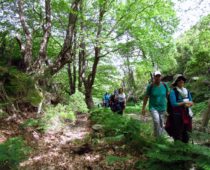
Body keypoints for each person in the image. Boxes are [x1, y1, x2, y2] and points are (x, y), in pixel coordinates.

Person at [141, 71, 169, 138]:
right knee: (157, 122)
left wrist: (169, 107)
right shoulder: (150, 86)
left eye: (159, 76)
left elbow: (168, 95)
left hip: (163, 108)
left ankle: (159, 138)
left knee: (162, 124)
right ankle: (157, 139)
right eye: (156, 76)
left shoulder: (165, 86)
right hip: (153, 108)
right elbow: (146, 97)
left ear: (161, 77)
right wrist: (143, 108)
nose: (158, 77)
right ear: (154, 77)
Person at [168, 74, 193, 143]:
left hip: (186, 113)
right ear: (176, 82)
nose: (181, 81)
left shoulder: (187, 91)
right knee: (177, 131)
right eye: (179, 80)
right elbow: (173, 104)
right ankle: (178, 147)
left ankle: (185, 146)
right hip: (177, 114)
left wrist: (189, 104)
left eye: (182, 80)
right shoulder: (173, 92)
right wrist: (184, 103)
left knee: (186, 130)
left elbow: (191, 101)